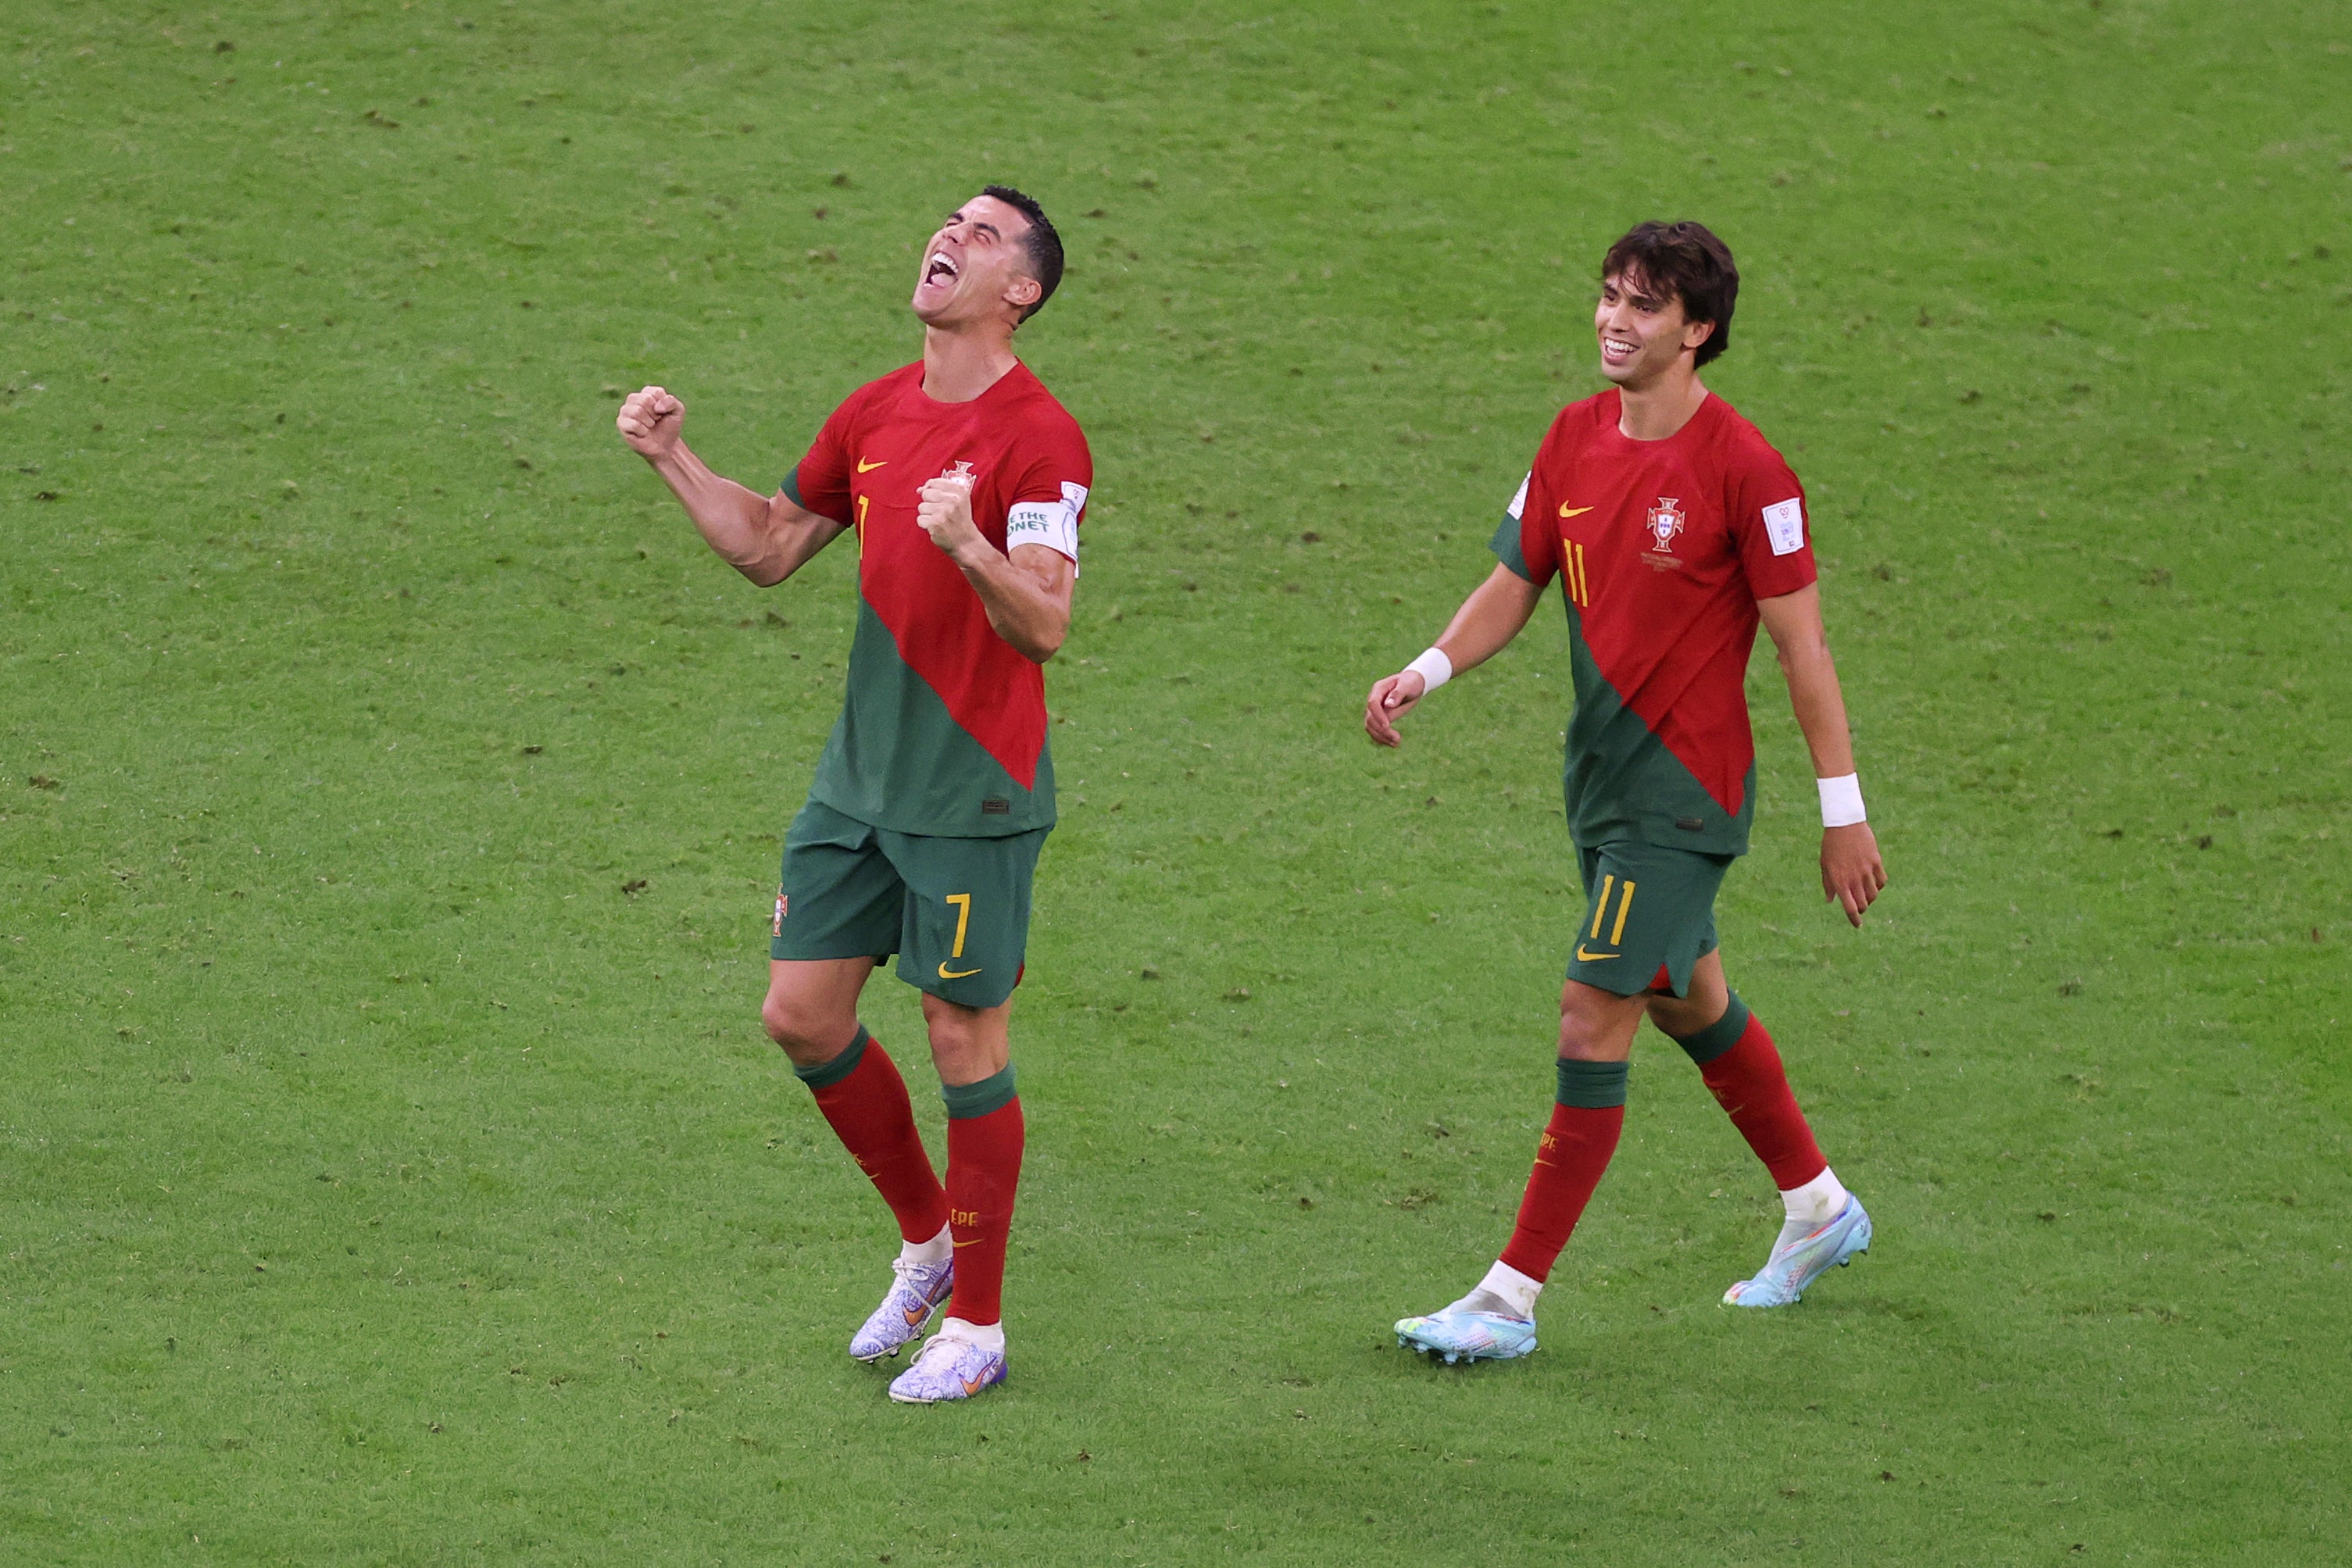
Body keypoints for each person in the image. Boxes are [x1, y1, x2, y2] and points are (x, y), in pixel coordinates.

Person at [1364, 220, 1888, 1363]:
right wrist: (1425, 668)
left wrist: (1841, 811)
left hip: (1683, 798)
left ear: (1697, 332)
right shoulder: (1570, 438)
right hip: (1597, 787)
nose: (1613, 319)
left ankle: (1506, 1300)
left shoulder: (1746, 470)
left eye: (1643, 305)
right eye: (1608, 295)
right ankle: (1815, 1207)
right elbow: (1514, 582)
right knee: (1680, 999)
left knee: (1591, 1011)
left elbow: (1803, 650)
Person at [615, 187, 1090, 1403]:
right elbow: (773, 545)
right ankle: (930, 1244)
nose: (946, 239)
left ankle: (977, 1327)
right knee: (802, 1015)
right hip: (858, 788)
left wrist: (971, 546)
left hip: (972, 794)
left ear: (1020, 292)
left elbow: (1045, 623)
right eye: (946, 222)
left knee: (958, 1034)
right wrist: (675, 458)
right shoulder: (874, 410)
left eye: (981, 236)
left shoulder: (1041, 437)